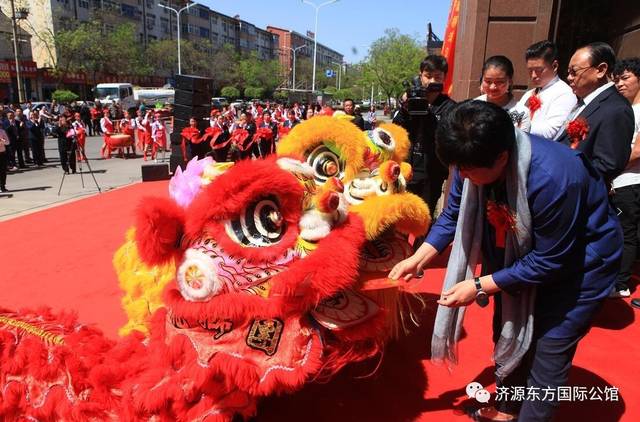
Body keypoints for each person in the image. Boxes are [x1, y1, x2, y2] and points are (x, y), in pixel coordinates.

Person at [390, 100, 622, 422]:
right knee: (507, 329)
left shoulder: (554, 178)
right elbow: (453, 214)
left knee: (546, 351)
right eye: (460, 170)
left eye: (468, 171)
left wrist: (479, 284)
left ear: (502, 157)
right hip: (515, 257)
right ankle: (507, 409)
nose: (464, 177)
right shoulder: (469, 161)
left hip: (578, 268)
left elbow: (550, 259)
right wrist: (419, 257)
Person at [555, 42, 634, 187]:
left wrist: (565, 177)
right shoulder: (584, 103)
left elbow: (608, 164)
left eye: (574, 72)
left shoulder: (616, 109)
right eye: (568, 72)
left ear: (601, 70)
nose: (569, 78)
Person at [392, 55, 457, 216]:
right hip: (405, 169)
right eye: (428, 76)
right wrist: (405, 109)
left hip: (432, 173)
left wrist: (427, 113)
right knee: (398, 215)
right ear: (420, 75)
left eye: (438, 77)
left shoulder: (449, 107)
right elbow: (395, 131)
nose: (431, 81)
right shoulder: (410, 101)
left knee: (422, 217)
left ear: (444, 78)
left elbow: (445, 138)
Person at [610, 58, 640, 298]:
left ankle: (620, 283)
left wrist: (611, 165)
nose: (620, 83)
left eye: (626, 78)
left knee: (625, 232)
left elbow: (638, 150)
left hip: (630, 182)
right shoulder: (625, 109)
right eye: (617, 79)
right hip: (617, 181)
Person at [517, 41, 577, 139]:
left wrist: (519, 125)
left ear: (554, 66)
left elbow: (551, 131)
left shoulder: (565, 94)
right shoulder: (529, 94)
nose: (533, 76)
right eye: (530, 71)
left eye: (539, 70)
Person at [476, 55, 531, 132]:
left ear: (510, 82)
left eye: (500, 82)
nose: (492, 87)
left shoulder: (521, 112)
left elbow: (523, 142)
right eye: (488, 81)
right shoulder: (473, 106)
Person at [0, 125, 9, 192]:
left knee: (3, 171)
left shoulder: (2, 131)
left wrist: (3, 141)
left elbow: (8, 142)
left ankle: (2, 186)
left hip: (2, 153)